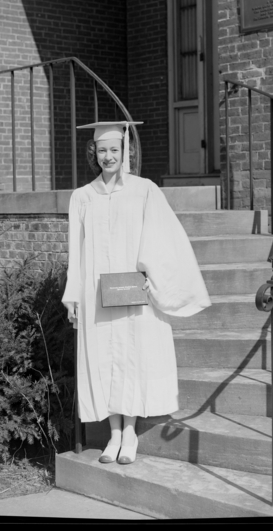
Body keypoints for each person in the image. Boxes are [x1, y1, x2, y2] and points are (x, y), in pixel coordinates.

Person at [61, 120, 211, 465]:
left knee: (131, 355)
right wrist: (73, 296)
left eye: (115, 149)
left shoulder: (144, 190)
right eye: (102, 150)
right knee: (103, 357)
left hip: (132, 292)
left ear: (125, 152)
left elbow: (162, 236)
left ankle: (130, 432)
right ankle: (113, 432)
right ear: (94, 154)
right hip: (96, 293)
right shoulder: (81, 197)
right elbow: (76, 251)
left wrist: (150, 273)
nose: (108, 156)